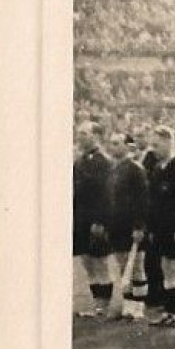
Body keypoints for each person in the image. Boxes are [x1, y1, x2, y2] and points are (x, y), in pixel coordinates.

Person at [146, 125, 175, 328]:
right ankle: (169, 309)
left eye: (157, 145)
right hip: (160, 229)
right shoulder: (158, 169)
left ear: (168, 142)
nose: (153, 149)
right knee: (166, 269)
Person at [105, 132, 150, 321]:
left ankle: (137, 307)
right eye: (112, 143)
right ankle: (127, 305)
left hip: (132, 225)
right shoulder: (114, 169)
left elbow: (142, 200)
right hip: (117, 225)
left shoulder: (135, 169)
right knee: (123, 266)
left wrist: (139, 226)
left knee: (137, 266)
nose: (112, 147)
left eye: (117, 143)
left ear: (128, 146)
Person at [72, 120, 114, 317]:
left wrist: (101, 221)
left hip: (96, 219)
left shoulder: (104, 162)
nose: (80, 137)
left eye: (85, 134)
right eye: (79, 133)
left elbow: (106, 195)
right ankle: (97, 303)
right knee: (86, 261)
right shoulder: (80, 161)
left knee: (100, 262)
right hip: (80, 218)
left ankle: (103, 306)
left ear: (96, 136)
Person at [138, 132, 166, 316]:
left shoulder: (158, 163)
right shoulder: (150, 159)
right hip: (151, 215)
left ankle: (159, 295)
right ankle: (156, 294)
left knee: (161, 259)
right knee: (153, 258)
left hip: (158, 215)